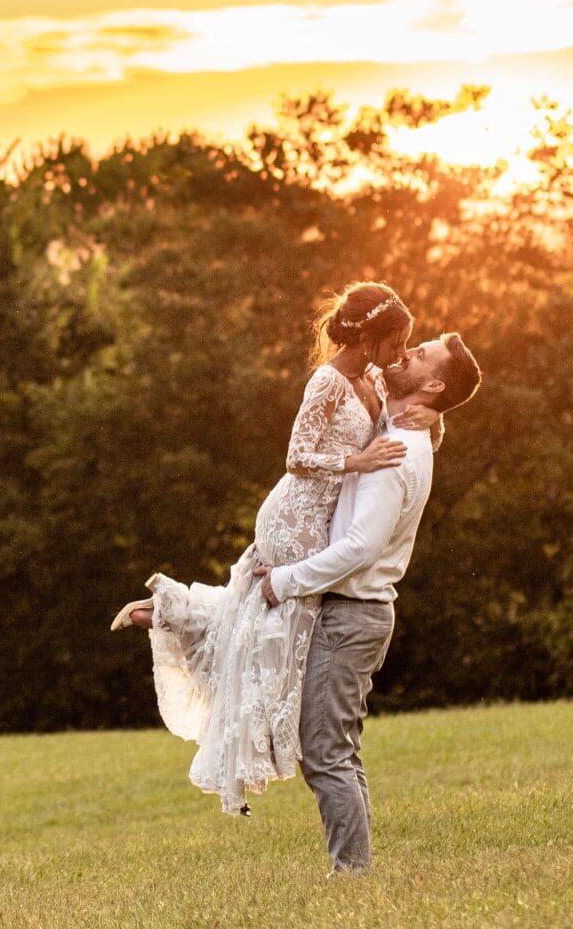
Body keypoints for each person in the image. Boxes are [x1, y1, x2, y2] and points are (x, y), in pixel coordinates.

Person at [111, 281, 418, 815]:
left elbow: (398, 425)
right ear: (368, 337)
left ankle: (168, 613)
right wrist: (355, 464)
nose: (401, 354)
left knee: (256, 626)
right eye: (396, 342)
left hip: (325, 518)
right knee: (273, 636)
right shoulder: (326, 382)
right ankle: (243, 754)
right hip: (297, 515)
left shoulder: (373, 376)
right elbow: (296, 458)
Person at [257, 330, 478, 872]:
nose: (408, 351)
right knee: (337, 749)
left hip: (354, 616)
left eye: (422, 354)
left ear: (432, 383)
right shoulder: (399, 424)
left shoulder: (399, 454)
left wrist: (283, 581)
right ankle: (355, 869)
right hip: (354, 615)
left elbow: (359, 548)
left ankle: (352, 874)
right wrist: (439, 417)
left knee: (326, 753)